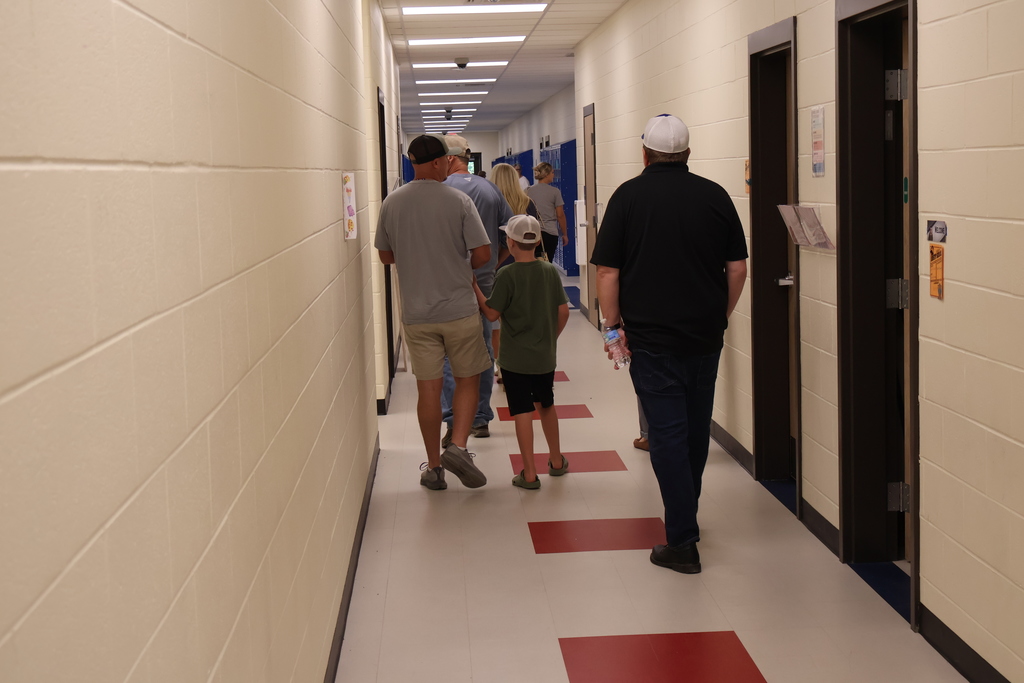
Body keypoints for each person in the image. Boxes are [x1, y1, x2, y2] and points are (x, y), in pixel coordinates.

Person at [590, 114, 748, 573]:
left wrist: (613, 326)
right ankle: (687, 516)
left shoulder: (627, 198)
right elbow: (737, 268)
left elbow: (607, 272)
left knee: (666, 435)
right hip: (704, 337)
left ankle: (681, 539)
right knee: (696, 430)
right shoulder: (715, 196)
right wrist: (720, 315)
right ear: (687, 154)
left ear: (645, 154)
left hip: (651, 339)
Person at [375, 133, 492, 491]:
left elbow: (385, 255)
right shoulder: (458, 201)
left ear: (413, 163)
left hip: (417, 313)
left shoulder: (391, 203)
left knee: (429, 390)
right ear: (441, 161)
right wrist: (458, 264)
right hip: (459, 308)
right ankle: (458, 445)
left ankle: (435, 469)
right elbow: (483, 254)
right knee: (468, 377)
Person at [474, 215, 570, 488]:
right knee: (547, 405)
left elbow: (492, 311)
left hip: (514, 359)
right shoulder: (549, 271)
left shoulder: (507, 275)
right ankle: (555, 461)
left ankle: (528, 473)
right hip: (544, 356)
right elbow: (563, 312)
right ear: (539, 241)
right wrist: (551, 338)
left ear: (510, 242)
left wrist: (475, 288)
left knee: (522, 411)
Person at [439, 136, 514, 445]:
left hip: (447, 287)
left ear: (447, 158)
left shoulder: (441, 191)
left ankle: (454, 420)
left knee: (446, 354)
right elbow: (510, 233)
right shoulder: (489, 188)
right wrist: (492, 265)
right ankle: (480, 419)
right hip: (484, 286)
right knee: (483, 351)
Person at [488, 163, 542, 384]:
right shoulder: (527, 203)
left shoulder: (489, 203)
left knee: (497, 321)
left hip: (496, 267)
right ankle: (527, 364)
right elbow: (539, 235)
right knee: (525, 317)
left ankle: (502, 366)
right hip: (526, 266)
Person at [526, 162, 569, 262]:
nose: (553, 175)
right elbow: (560, 215)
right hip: (549, 232)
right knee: (546, 262)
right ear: (546, 174)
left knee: (532, 261)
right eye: (552, 172)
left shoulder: (527, 191)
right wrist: (564, 234)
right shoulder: (555, 192)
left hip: (532, 232)